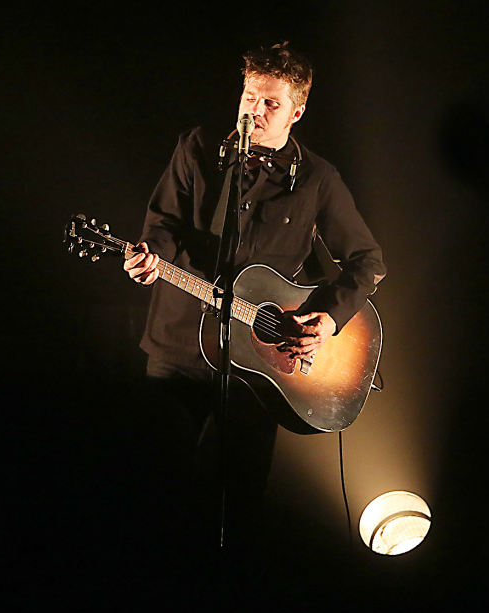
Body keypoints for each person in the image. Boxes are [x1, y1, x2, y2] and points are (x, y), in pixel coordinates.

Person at [122, 43, 385, 555]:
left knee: (240, 496)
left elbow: (367, 261)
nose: (254, 112)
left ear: (297, 111)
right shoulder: (198, 148)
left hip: (258, 366)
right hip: (177, 348)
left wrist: (329, 320)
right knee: (153, 480)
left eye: (270, 104)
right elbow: (162, 225)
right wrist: (151, 257)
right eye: (249, 97)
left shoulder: (317, 179)